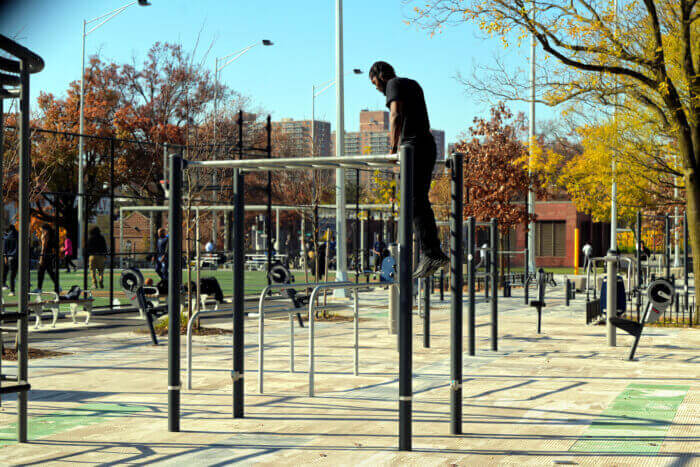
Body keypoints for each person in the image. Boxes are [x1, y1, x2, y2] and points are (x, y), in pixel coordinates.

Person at [369, 61, 449, 278]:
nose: (376, 88)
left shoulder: (393, 84)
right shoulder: (412, 84)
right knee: (419, 201)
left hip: (412, 148)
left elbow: (395, 116)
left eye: (374, 82)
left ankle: (431, 253)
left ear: (381, 75)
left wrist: (393, 149)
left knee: (412, 201)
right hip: (426, 146)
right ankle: (433, 252)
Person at [34, 224, 59, 293]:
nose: (40, 230)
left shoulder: (45, 236)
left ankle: (39, 288)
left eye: (41, 229)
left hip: (45, 255)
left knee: (40, 271)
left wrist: (41, 257)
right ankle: (57, 286)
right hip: (49, 255)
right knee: (50, 271)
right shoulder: (52, 235)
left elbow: (43, 247)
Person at [2, 225, 18, 296]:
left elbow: (5, 250)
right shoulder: (19, 236)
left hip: (10, 258)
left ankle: (12, 291)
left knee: (11, 275)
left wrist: (5, 259)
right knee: (16, 274)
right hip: (19, 257)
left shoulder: (7, 237)